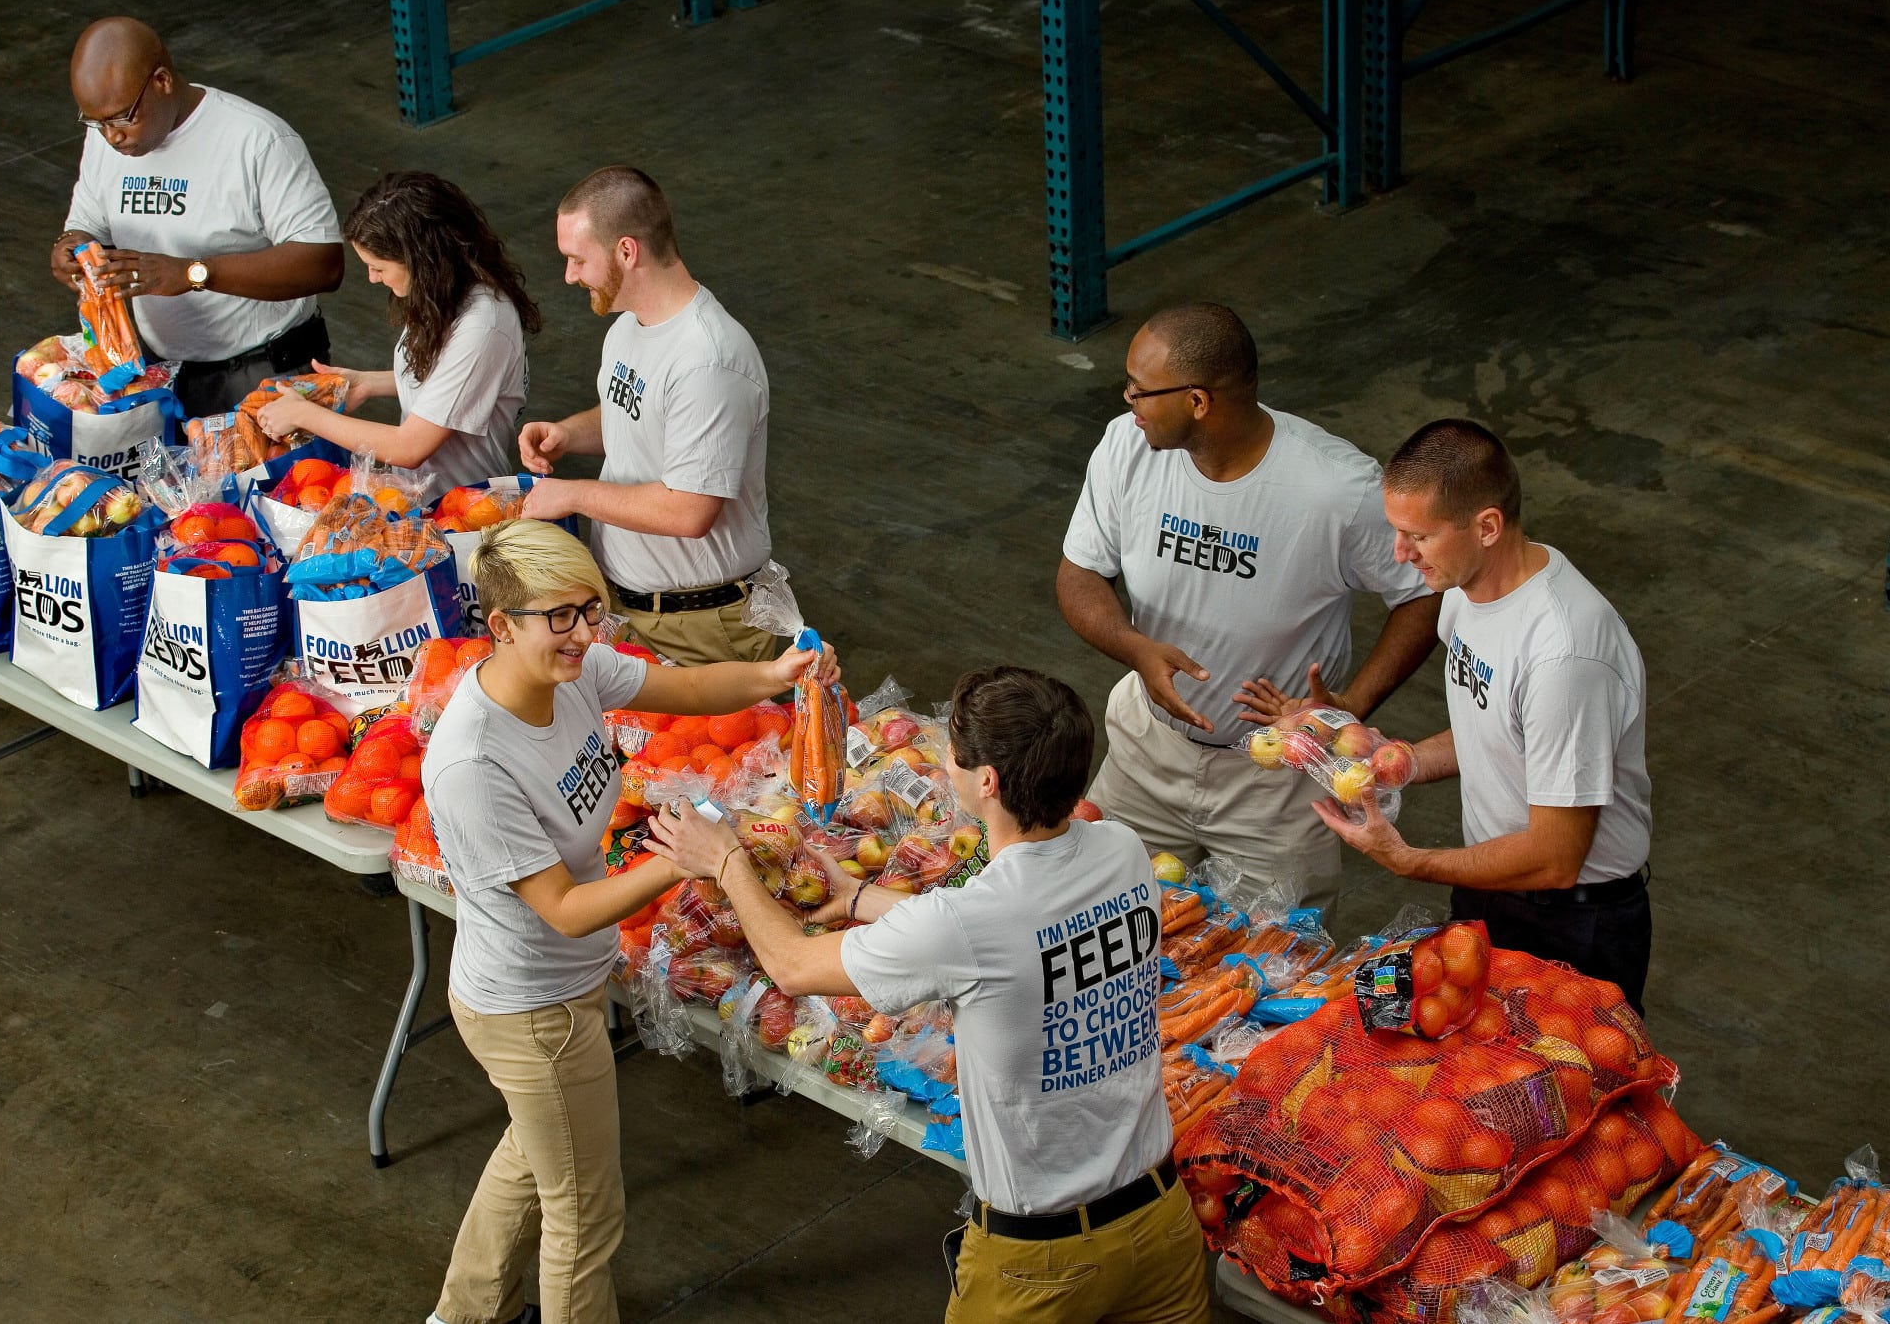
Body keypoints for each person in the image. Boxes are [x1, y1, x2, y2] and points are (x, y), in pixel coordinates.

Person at [648, 666, 1209, 1324]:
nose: (945, 761)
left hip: (1045, 1260)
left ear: (988, 783)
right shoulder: (1122, 850)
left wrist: (725, 863)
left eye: (956, 754)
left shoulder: (969, 922)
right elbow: (1000, 937)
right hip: (1162, 1222)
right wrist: (859, 896)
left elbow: (794, 966)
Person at [420, 519, 816, 1324]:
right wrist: (680, 858)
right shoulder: (474, 763)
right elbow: (562, 909)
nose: (583, 633)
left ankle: (463, 1315)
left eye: (591, 611)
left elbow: (693, 689)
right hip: (533, 1009)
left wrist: (779, 672)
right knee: (584, 1211)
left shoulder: (568, 671)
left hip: (557, 990)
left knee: (538, 1155)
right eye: (559, 616)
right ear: (500, 626)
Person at [1056, 301, 1438, 920]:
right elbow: (1079, 572)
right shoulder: (1126, 448)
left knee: (1278, 964)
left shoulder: (1335, 489)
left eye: (1140, 389)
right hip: (1146, 755)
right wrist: (1136, 649)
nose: (1128, 400)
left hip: (1279, 786)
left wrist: (1352, 709)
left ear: (1199, 401)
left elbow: (1423, 592)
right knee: (1087, 921)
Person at [1314, 419, 1655, 1009]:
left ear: (1487, 526)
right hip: (1489, 888)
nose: (1399, 553)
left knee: (1557, 1090)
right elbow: (1496, 725)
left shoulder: (1564, 654)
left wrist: (1407, 860)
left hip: (1572, 922)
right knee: (1444, 1064)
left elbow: (1555, 857)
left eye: (1417, 536)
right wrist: (1402, 761)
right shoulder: (1466, 593)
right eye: (1395, 531)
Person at [514, 166, 777, 668]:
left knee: (703, 750)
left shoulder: (708, 359)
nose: (570, 276)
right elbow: (638, 413)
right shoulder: (630, 326)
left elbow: (689, 510)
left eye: (577, 260)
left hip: (699, 629)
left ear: (626, 251)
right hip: (630, 610)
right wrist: (568, 433)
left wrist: (572, 494)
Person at [53, 16, 343, 418]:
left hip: (262, 372)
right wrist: (71, 247)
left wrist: (192, 274)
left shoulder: (257, 141)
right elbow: (89, 224)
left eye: (122, 118)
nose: (111, 136)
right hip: (161, 371)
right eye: (96, 122)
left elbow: (324, 264)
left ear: (162, 81)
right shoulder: (107, 138)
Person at [253, 171, 543, 489]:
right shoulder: (443, 293)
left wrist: (305, 415)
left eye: (379, 267)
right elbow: (449, 380)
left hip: (462, 503)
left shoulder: (482, 326)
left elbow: (409, 447)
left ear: (422, 260)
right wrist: (367, 383)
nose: (372, 278)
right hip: (423, 494)